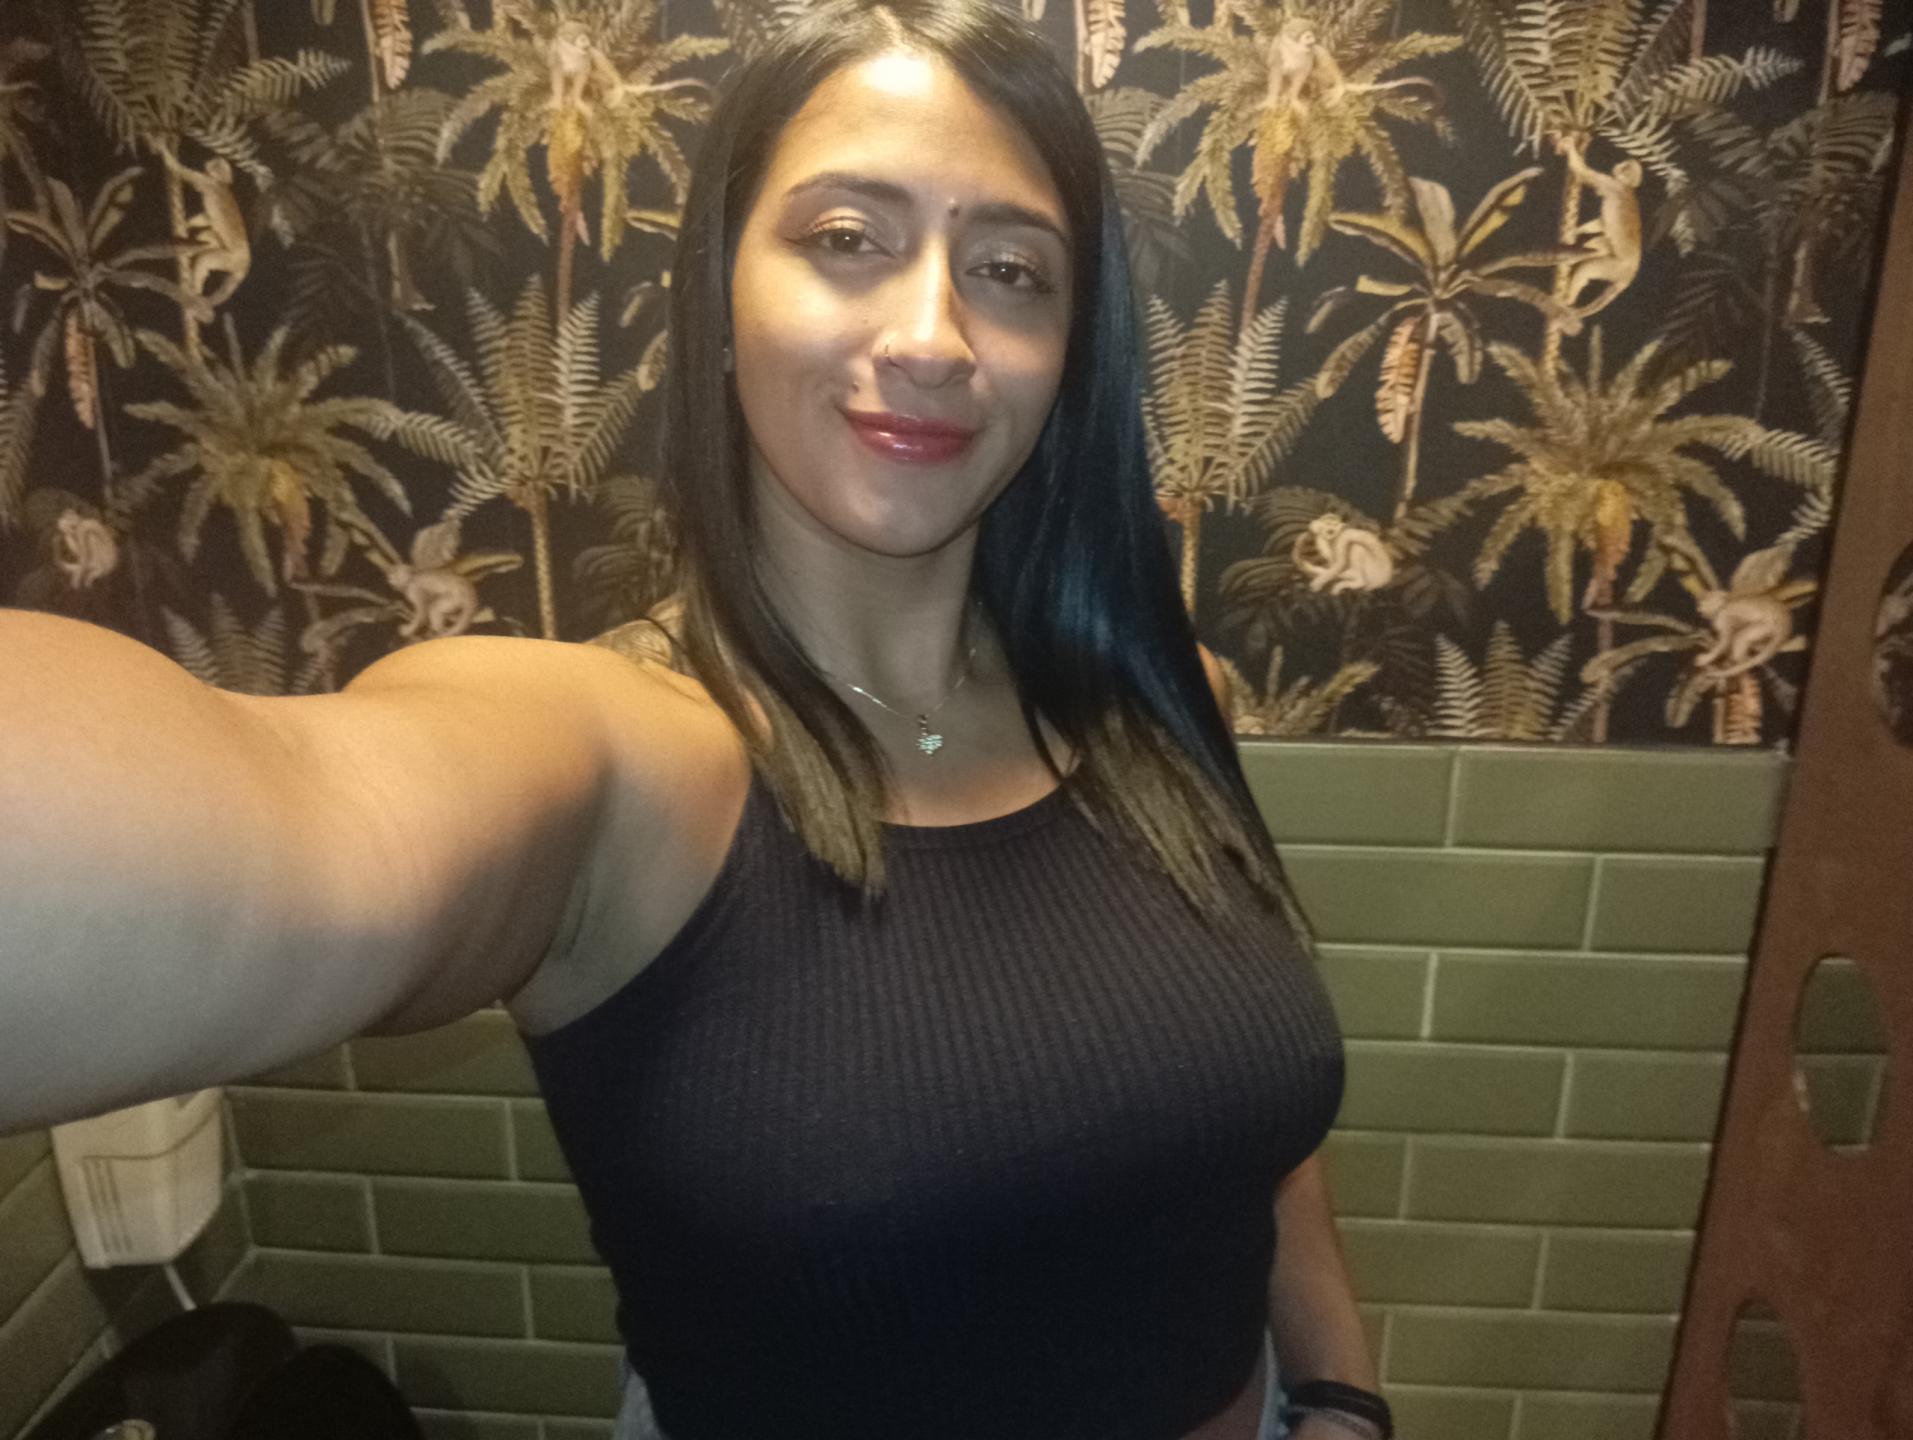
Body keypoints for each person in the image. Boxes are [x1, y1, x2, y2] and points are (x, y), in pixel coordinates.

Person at [0, 1, 1379, 1436]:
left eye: (1011, 270)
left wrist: (1341, 1390)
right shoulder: (613, 756)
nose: (932, 336)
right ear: (719, 298)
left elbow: (1238, 1122)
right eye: (847, 238)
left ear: (1069, 351)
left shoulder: (1166, 699)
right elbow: (294, 825)